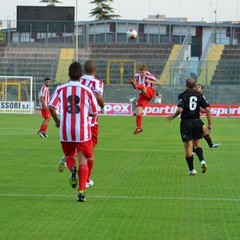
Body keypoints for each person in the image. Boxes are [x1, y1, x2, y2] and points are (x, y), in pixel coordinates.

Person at [48, 62, 98, 202]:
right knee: (83, 159)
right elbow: (94, 112)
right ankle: (81, 191)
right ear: (81, 75)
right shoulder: (86, 90)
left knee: (69, 155)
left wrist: (57, 121)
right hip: (82, 130)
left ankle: (72, 170)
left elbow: (51, 106)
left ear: (68, 75)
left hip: (65, 129)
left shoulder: (60, 89)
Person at [58, 60, 105, 189]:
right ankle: (86, 180)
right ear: (95, 71)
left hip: (75, 121)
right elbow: (98, 96)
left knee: (76, 148)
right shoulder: (97, 82)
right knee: (88, 154)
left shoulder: (78, 80)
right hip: (90, 122)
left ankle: (69, 160)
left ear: (83, 71)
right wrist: (102, 105)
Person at [166, 77, 212, 175]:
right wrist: (210, 124)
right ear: (195, 85)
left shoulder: (182, 95)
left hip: (186, 123)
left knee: (188, 147)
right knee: (197, 144)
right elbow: (207, 109)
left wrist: (172, 117)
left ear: (186, 85)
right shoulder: (200, 95)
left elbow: (180, 110)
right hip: (197, 122)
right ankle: (202, 161)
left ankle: (192, 170)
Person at [129, 64, 161, 134]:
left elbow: (160, 83)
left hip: (150, 91)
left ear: (145, 71)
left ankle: (136, 86)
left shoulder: (150, 75)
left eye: (142, 72)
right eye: (140, 72)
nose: (141, 74)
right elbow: (137, 80)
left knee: (143, 88)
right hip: (143, 94)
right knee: (138, 110)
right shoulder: (137, 75)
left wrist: (151, 82)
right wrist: (136, 84)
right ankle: (139, 128)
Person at [193, 83, 220, 151]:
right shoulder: (199, 96)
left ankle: (211, 145)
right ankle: (193, 151)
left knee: (204, 130)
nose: (196, 88)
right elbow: (207, 109)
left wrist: (199, 109)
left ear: (202, 90)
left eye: (198, 87)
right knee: (196, 135)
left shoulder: (197, 96)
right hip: (191, 119)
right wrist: (210, 124)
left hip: (194, 118)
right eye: (196, 87)